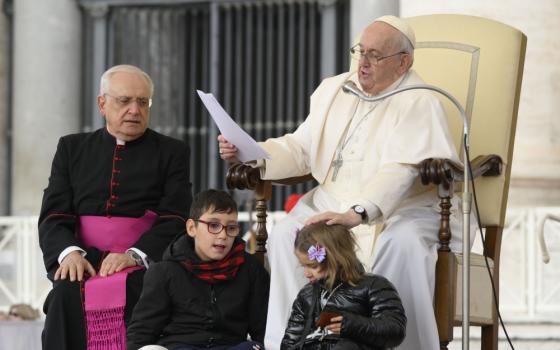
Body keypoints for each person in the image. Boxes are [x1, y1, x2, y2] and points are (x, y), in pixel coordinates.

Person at [218, 15, 472, 350]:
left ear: (403, 62)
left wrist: (357, 213)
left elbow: (402, 171)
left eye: (375, 55)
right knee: (283, 235)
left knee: (402, 243)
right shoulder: (335, 89)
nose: (363, 63)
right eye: (360, 52)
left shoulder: (420, 101)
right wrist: (252, 153)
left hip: (400, 211)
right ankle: (294, 343)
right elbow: (301, 148)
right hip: (330, 201)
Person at [39, 64, 193, 350]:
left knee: (145, 294)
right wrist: (69, 253)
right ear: (102, 104)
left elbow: (175, 216)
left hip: (143, 261)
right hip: (84, 260)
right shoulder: (72, 148)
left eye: (143, 102)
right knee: (65, 295)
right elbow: (54, 213)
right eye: (124, 101)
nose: (135, 110)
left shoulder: (172, 152)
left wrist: (134, 255)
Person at [126, 189, 270, 350]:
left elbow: (263, 330)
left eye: (231, 228)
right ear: (191, 228)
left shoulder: (250, 269)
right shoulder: (164, 271)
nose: (223, 235)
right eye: (214, 225)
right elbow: (141, 333)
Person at [281, 222, 406, 350]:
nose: (306, 273)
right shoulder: (306, 294)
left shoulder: (374, 286)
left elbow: (395, 331)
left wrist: (351, 324)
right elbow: (290, 342)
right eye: (304, 266)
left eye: (313, 266)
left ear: (336, 259)